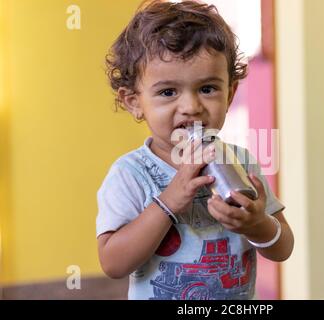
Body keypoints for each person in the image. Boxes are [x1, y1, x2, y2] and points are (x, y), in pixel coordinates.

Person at [96, 0, 294, 300]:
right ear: (134, 102)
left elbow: (283, 248)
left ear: (230, 94)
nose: (191, 107)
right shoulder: (130, 174)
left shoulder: (240, 162)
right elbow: (113, 263)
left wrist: (258, 225)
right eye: (167, 92)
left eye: (207, 88)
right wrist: (168, 202)